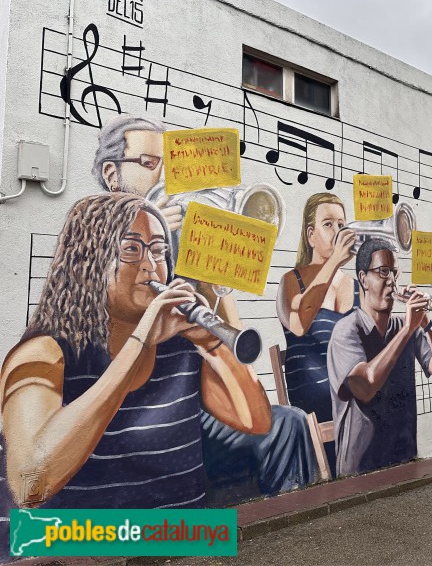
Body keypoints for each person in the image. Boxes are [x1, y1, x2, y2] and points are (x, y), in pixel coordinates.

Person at [0, 194, 272, 511]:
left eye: (158, 250)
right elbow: (30, 482)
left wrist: (212, 342)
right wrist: (141, 340)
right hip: (79, 550)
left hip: (179, 542)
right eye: (131, 249)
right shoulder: (43, 353)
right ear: (89, 262)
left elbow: (257, 421)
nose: (150, 266)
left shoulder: (181, 346)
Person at [93, 114, 317, 497]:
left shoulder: (176, 243)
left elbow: (229, 341)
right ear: (113, 175)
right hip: (124, 413)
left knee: (287, 424)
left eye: (171, 168)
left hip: (189, 399)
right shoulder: (92, 238)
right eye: (150, 165)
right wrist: (144, 232)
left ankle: (292, 532)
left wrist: (220, 279)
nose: (164, 179)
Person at [327, 238, 432, 477]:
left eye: (394, 272)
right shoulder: (346, 331)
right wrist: (408, 329)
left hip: (404, 459)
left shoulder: (405, 326)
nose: (392, 281)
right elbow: (366, 386)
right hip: (359, 470)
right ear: (363, 278)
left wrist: (426, 325)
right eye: (383, 272)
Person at [277, 193, 358, 475]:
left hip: (353, 394)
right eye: (328, 224)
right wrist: (333, 262)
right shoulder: (291, 280)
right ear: (311, 235)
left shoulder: (356, 285)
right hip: (317, 399)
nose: (338, 233)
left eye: (341, 224)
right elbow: (298, 324)